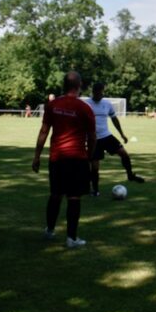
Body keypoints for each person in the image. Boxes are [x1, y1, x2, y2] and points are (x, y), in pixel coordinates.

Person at [33, 72, 96, 247]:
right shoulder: (85, 108)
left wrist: (37, 156)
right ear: (79, 85)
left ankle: (49, 230)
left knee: (55, 195)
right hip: (77, 158)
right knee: (74, 198)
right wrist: (90, 157)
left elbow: (44, 132)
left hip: (57, 158)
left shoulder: (53, 105)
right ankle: (71, 238)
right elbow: (92, 137)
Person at [87, 81, 145, 196]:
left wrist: (122, 134)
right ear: (93, 92)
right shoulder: (86, 104)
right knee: (94, 167)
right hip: (93, 139)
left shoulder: (107, 104)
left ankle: (130, 175)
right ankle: (95, 190)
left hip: (106, 136)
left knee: (124, 154)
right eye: (98, 93)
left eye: (102, 93)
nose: (100, 95)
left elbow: (114, 119)